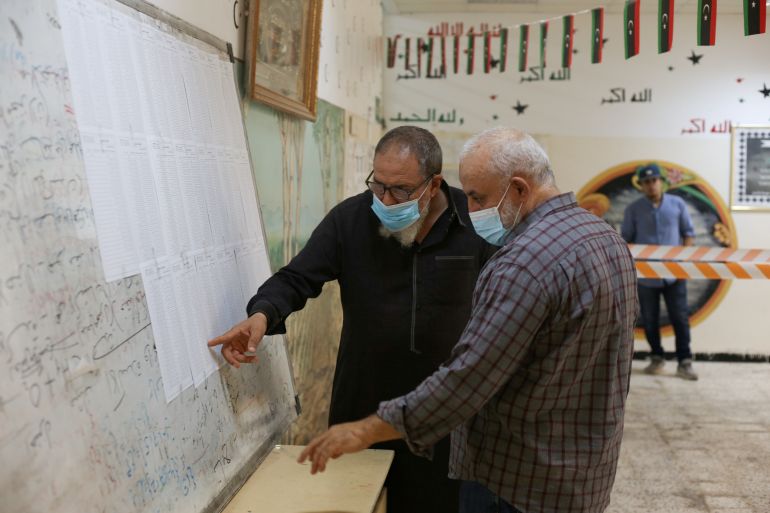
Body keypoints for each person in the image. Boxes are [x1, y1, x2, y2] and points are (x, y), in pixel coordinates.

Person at [298, 127, 639, 513]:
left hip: (515, 482)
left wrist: (367, 428)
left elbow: (469, 379)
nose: (472, 211)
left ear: (520, 189)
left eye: (477, 198)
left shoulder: (522, 262)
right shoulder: (605, 239)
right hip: (583, 473)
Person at [208, 126, 495, 513]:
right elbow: (296, 278)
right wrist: (262, 314)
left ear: (434, 183)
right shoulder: (350, 220)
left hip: (441, 413)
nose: (386, 199)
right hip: (362, 404)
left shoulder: (475, 223)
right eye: (378, 185)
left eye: (401, 190)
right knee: (353, 503)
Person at [621, 163, 698, 380]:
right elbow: (626, 239)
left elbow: (688, 234)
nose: (651, 185)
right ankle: (656, 357)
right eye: (646, 182)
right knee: (650, 319)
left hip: (674, 275)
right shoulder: (633, 210)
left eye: (654, 180)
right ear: (641, 185)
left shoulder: (677, 205)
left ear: (661, 181)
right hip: (646, 277)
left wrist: (684, 261)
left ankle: (685, 361)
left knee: (680, 318)